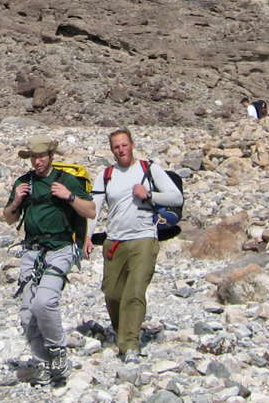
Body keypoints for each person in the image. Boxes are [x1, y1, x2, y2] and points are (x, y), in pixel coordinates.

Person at [2, 137, 95, 386]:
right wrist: (16, 201)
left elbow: (90, 211)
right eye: (34, 157)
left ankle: (57, 351)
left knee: (44, 302)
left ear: (51, 156)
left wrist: (69, 197)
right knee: (26, 313)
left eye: (41, 156)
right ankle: (42, 362)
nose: (37, 161)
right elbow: (9, 218)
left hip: (60, 249)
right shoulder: (24, 183)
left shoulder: (67, 181)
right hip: (32, 251)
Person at [94, 128, 184, 362]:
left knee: (134, 292)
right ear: (112, 150)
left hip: (144, 238)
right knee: (113, 294)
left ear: (132, 145)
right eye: (116, 147)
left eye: (124, 145)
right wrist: (86, 237)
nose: (121, 150)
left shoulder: (149, 169)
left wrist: (150, 194)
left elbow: (176, 197)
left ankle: (130, 344)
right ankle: (122, 330)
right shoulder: (106, 175)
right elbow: (94, 208)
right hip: (115, 240)